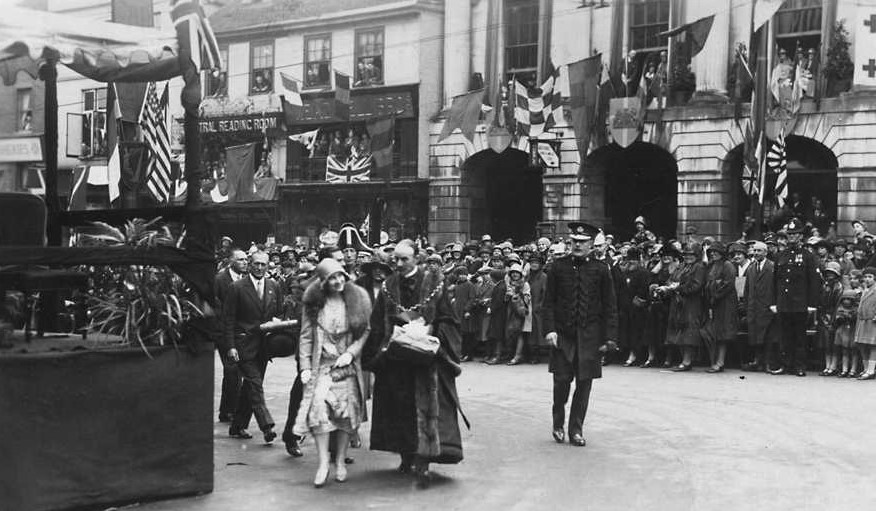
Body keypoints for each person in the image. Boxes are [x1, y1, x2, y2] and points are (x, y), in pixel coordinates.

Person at [362, 240, 464, 489]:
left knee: (428, 406)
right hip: (397, 356)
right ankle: (406, 455)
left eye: (403, 259)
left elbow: (449, 318)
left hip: (426, 356)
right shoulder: (388, 286)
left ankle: (424, 460)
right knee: (400, 406)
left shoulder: (435, 283)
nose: (397, 264)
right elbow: (377, 322)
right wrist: (381, 345)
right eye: (395, 259)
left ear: (416, 259)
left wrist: (430, 328)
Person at [293, 259, 371, 487]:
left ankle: (340, 461)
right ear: (323, 282)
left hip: (346, 366)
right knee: (318, 409)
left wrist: (352, 352)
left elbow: (365, 330)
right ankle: (323, 463)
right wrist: (305, 367)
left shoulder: (356, 298)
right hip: (323, 366)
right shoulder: (314, 303)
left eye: (340, 275)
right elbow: (306, 336)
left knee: (345, 414)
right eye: (331, 278)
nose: (337, 281)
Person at [543, 222, 618, 447]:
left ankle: (576, 430)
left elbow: (610, 306)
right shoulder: (558, 267)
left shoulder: (601, 270)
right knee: (561, 382)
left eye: (582, 242)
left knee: (584, 385)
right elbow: (548, 303)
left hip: (590, 338)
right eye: (574, 241)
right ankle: (558, 423)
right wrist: (550, 329)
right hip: (563, 336)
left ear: (591, 245)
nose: (577, 245)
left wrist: (610, 338)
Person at [222, 251, 281, 443]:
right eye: (256, 264)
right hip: (243, 344)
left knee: (250, 386)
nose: (260, 267)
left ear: (268, 265)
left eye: (264, 264)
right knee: (255, 384)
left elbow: (278, 313)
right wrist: (230, 346)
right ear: (249, 264)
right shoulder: (237, 287)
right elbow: (228, 319)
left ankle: (237, 426)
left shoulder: (274, 286)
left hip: (264, 346)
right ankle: (266, 425)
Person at [770, 218, 822, 376]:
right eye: (790, 234)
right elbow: (775, 281)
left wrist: (811, 304)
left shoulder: (808, 256)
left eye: (795, 234)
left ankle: (800, 366)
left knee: (800, 336)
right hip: (783, 303)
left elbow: (813, 281)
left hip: (800, 303)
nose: (792, 237)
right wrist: (774, 302)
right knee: (784, 335)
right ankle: (786, 364)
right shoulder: (781, 255)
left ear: (801, 236)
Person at [663, 242, 706, 372]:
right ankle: (684, 360)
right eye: (686, 254)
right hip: (679, 302)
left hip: (692, 303)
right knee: (678, 330)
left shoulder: (699, 267)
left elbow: (696, 286)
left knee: (689, 331)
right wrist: (670, 286)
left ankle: (687, 361)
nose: (688, 256)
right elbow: (671, 279)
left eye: (691, 254)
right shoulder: (682, 266)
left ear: (697, 255)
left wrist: (678, 288)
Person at [215, 249, 246, 423]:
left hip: (240, 332)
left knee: (235, 371)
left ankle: (227, 410)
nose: (244, 262)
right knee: (232, 369)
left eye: (245, 259)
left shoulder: (245, 279)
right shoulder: (220, 280)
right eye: (240, 259)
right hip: (224, 332)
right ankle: (230, 411)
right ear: (231, 261)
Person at [743, 241, 780, 372]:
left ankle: (768, 362)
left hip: (767, 307)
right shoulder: (751, 268)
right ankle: (757, 360)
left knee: (768, 336)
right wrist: (747, 305)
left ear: (765, 252)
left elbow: (777, 288)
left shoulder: (772, 267)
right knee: (755, 335)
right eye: (755, 251)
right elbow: (747, 289)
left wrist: (775, 305)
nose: (756, 253)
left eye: (759, 251)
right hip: (754, 307)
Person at [703, 242, 739, 373]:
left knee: (723, 333)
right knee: (715, 332)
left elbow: (728, 284)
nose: (713, 254)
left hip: (726, 303)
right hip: (714, 302)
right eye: (711, 252)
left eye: (716, 251)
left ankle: (720, 361)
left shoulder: (727, 265)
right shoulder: (711, 266)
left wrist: (715, 293)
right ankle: (715, 361)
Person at [818, 262, 844, 376]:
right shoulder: (825, 285)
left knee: (834, 343)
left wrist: (833, 319)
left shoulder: (838, 287)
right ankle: (827, 365)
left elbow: (837, 304)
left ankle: (833, 366)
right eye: (828, 273)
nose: (829, 275)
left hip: (833, 316)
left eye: (832, 273)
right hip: (824, 316)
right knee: (826, 344)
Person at [505, 263, 532, 365]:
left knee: (521, 332)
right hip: (511, 310)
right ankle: (511, 354)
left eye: (517, 273)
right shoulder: (509, 283)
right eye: (513, 273)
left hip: (521, 310)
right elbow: (506, 298)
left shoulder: (524, 284)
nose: (515, 275)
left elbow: (527, 298)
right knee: (512, 332)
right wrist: (508, 296)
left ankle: (518, 355)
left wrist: (516, 296)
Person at [853, 267, 876, 380]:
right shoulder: (864, 290)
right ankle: (866, 368)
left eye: (870, 277)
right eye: (865, 277)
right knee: (862, 345)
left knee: (872, 346)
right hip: (862, 320)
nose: (867, 279)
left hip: (872, 321)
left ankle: (871, 370)